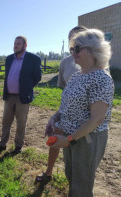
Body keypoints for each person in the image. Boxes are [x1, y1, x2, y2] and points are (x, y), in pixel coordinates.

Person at [45, 28, 114, 197]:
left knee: (82, 184)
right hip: (70, 136)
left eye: (77, 49)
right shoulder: (76, 75)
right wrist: (54, 118)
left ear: (93, 50)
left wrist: (68, 139)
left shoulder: (101, 78)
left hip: (87, 138)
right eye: (71, 49)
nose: (72, 53)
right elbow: (66, 104)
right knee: (72, 175)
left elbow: (96, 119)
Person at [36, 25, 87, 183]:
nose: (73, 41)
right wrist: (58, 114)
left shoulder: (94, 61)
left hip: (85, 116)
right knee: (55, 140)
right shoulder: (65, 62)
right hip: (65, 111)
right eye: (70, 38)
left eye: (77, 37)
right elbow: (64, 90)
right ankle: (49, 173)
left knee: (80, 150)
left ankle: (80, 185)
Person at [0, 36, 42, 155]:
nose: (16, 46)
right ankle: (2, 144)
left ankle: (18, 146)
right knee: (6, 122)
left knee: (21, 123)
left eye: (19, 44)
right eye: (15, 43)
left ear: (25, 46)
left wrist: (27, 87)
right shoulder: (9, 58)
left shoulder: (33, 59)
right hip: (9, 96)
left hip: (22, 97)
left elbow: (38, 77)